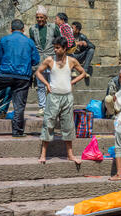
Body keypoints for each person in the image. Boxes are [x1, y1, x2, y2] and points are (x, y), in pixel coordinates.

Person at [0, 19, 40, 138]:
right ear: (23, 30)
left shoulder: (4, 40)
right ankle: (17, 132)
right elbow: (36, 60)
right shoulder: (29, 42)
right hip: (23, 77)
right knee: (19, 105)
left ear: (11, 29)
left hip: (6, 74)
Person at [36, 36, 87, 164]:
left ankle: (70, 154)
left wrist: (72, 82)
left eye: (58, 48)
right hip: (53, 97)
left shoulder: (72, 61)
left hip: (67, 97)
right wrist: (47, 84)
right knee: (48, 123)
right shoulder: (49, 60)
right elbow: (38, 72)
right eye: (54, 47)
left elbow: (83, 72)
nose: (55, 50)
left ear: (65, 48)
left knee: (68, 125)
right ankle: (43, 154)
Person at [29, 5, 61, 117]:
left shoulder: (53, 27)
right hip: (39, 61)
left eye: (41, 17)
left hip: (52, 59)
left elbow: (60, 42)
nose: (39, 20)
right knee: (40, 85)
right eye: (37, 17)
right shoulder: (32, 29)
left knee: (53, 85)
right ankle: (42, 107)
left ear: (46, 17)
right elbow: (32, 45)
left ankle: (53, 107)